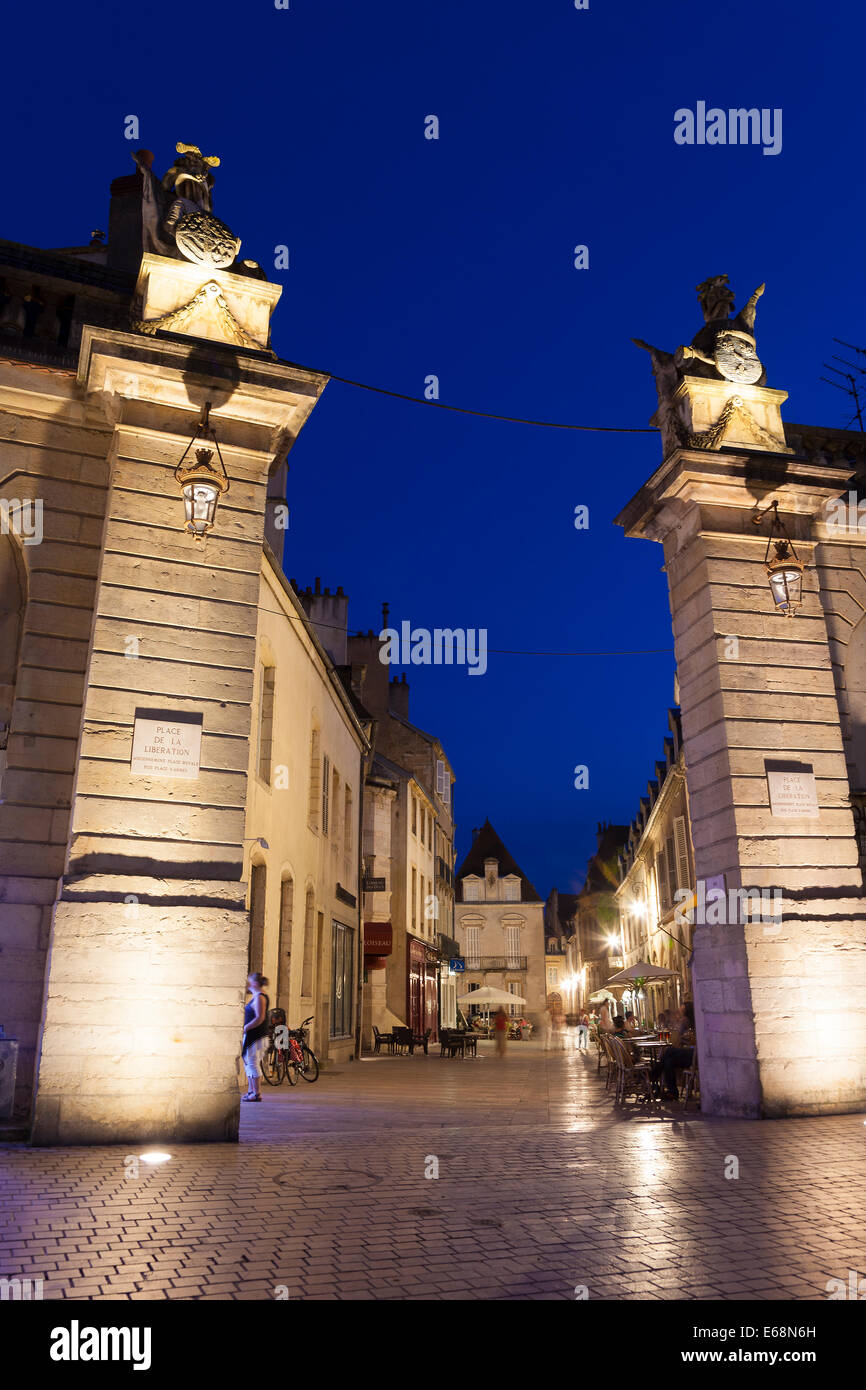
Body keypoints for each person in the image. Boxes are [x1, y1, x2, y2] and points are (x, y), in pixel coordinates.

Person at [653, 1001, 696, 1100]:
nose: (680, 1009)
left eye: (682, 1008)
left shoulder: (686, 1021)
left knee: (669, 1051)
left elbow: (680, 1035)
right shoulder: (689, 1021)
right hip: (689, 1053)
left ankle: (654, 1075)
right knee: (668, 1061)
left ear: (686, 1010)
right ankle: (672, 1092)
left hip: (692, 1054)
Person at [241, 972, 270, 1102]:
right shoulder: (257, 996)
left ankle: (256, 1093)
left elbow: (260, 1017)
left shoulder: (260, 997)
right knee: (249, 1062)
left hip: (256, 1036)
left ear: (255, 983)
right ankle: (251, 1091)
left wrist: (246, 1028)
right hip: (252, 1035)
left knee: (252, 1063)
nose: (248, 983)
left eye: (250, 981)